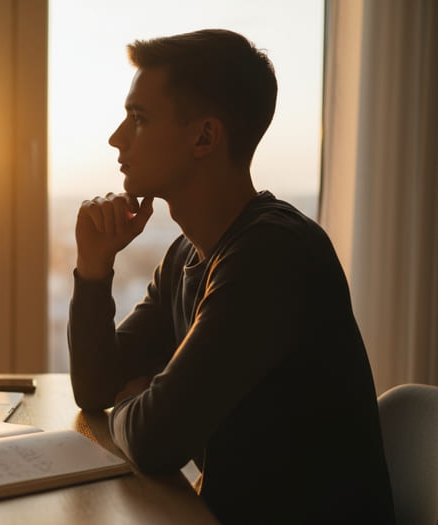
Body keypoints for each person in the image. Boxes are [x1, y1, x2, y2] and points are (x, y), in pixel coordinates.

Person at [68, 29, 395, 524]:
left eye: (138, 118)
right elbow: (94, 388)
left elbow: (157, 439)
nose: (117, 138)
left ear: (204, 137)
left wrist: (135, 397)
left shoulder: (274, 253)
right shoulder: (185, 256)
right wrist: (94, 268)